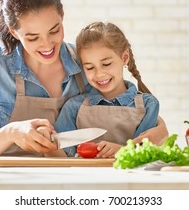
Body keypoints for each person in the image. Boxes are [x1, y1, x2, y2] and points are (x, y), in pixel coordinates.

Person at [0, 0, 168, 163]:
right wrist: (10, 132)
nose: (47, 45)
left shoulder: (85, 62)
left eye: (54, 30)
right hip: (14, 179)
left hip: (70, 175)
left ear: (63, 16)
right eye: (32, 37)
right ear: (15, 32)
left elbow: (122, 108)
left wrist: (160, 129)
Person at [47, 22, 167, 158]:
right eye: (90, 67)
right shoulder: (74, 107)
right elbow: (61, 158)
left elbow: (146, 154)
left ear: (125, 57)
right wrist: (47, 145)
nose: (99, 74)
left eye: (106, 64)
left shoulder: (148, 105)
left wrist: (122, 151)